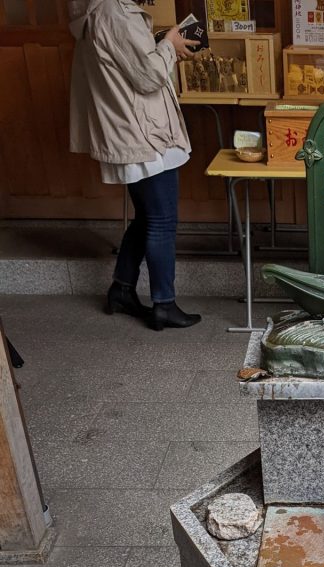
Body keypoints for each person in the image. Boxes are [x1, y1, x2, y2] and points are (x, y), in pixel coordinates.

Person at [69, 0, 201, 331]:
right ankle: (164, 304)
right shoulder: (115, 12)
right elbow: (148, 77)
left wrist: (159, 44)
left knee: (148, 218)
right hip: (144, 133)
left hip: (129, 129)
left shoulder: (98, 9)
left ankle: (122, 289)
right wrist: (169, 46)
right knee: (162, 221)